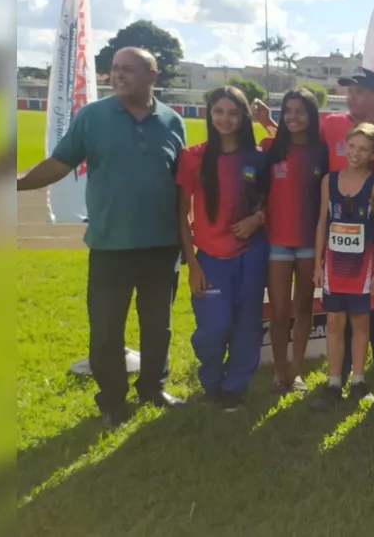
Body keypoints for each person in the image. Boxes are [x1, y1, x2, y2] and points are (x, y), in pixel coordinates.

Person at [17, 47, 186, 429]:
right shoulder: (92, 117)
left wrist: (187, 242)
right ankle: (112, 401)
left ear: (152, 76)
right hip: (111, 244)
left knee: (158, 325)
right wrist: (15, 184)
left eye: (129, 69)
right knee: (108, 328)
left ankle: (153, 388)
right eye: (115, 69)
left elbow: (181, 185)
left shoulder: (173, 121)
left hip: (162, 246)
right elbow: (59, 164)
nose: (119, 75)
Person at [253, 67, 374, 382]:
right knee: (331, 312)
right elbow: (296, 137)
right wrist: (267, 122)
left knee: (363, 308)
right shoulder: (332, 124)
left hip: (364, 236)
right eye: (349, 91)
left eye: (359, 91)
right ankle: (328, 372)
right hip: (325, 232)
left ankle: (371, 370)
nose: (352, 97)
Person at [176, 86, 269, 412]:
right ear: (209, 114)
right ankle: (212, 381)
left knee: (246, 323)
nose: (225, 119)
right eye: (219, 111)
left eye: (233, 112)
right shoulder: (192, 157)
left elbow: (274, 201)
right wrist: (194, 266)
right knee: (213, 328)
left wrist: (258, 218)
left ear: (244, 117)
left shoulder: (257, 157)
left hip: (252, 255)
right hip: (211, 259)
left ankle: (235, 388)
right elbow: (181, 214)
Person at [310, 123, 374, 410]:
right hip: (334, 266)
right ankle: (333, 383)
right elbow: (322, 222)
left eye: (364, 149)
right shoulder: (329, 181)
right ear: (344, 146)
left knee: (360, 324)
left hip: (363, 268)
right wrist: (318, 263)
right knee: (334, 322)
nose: (356, 153)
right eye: (352, 147)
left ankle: (357, 381)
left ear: (373, 153)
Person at [258, 89, 327, 394]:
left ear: (312, 116)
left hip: (310, 242)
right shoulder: (270, 147)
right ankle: (278, 371)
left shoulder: (321, 151)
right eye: (288, 111)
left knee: (303, 307)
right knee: (278, 309)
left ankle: (296, 372)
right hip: (277, 242)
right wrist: (267, 122)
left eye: (301, 111)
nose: (294, 117)